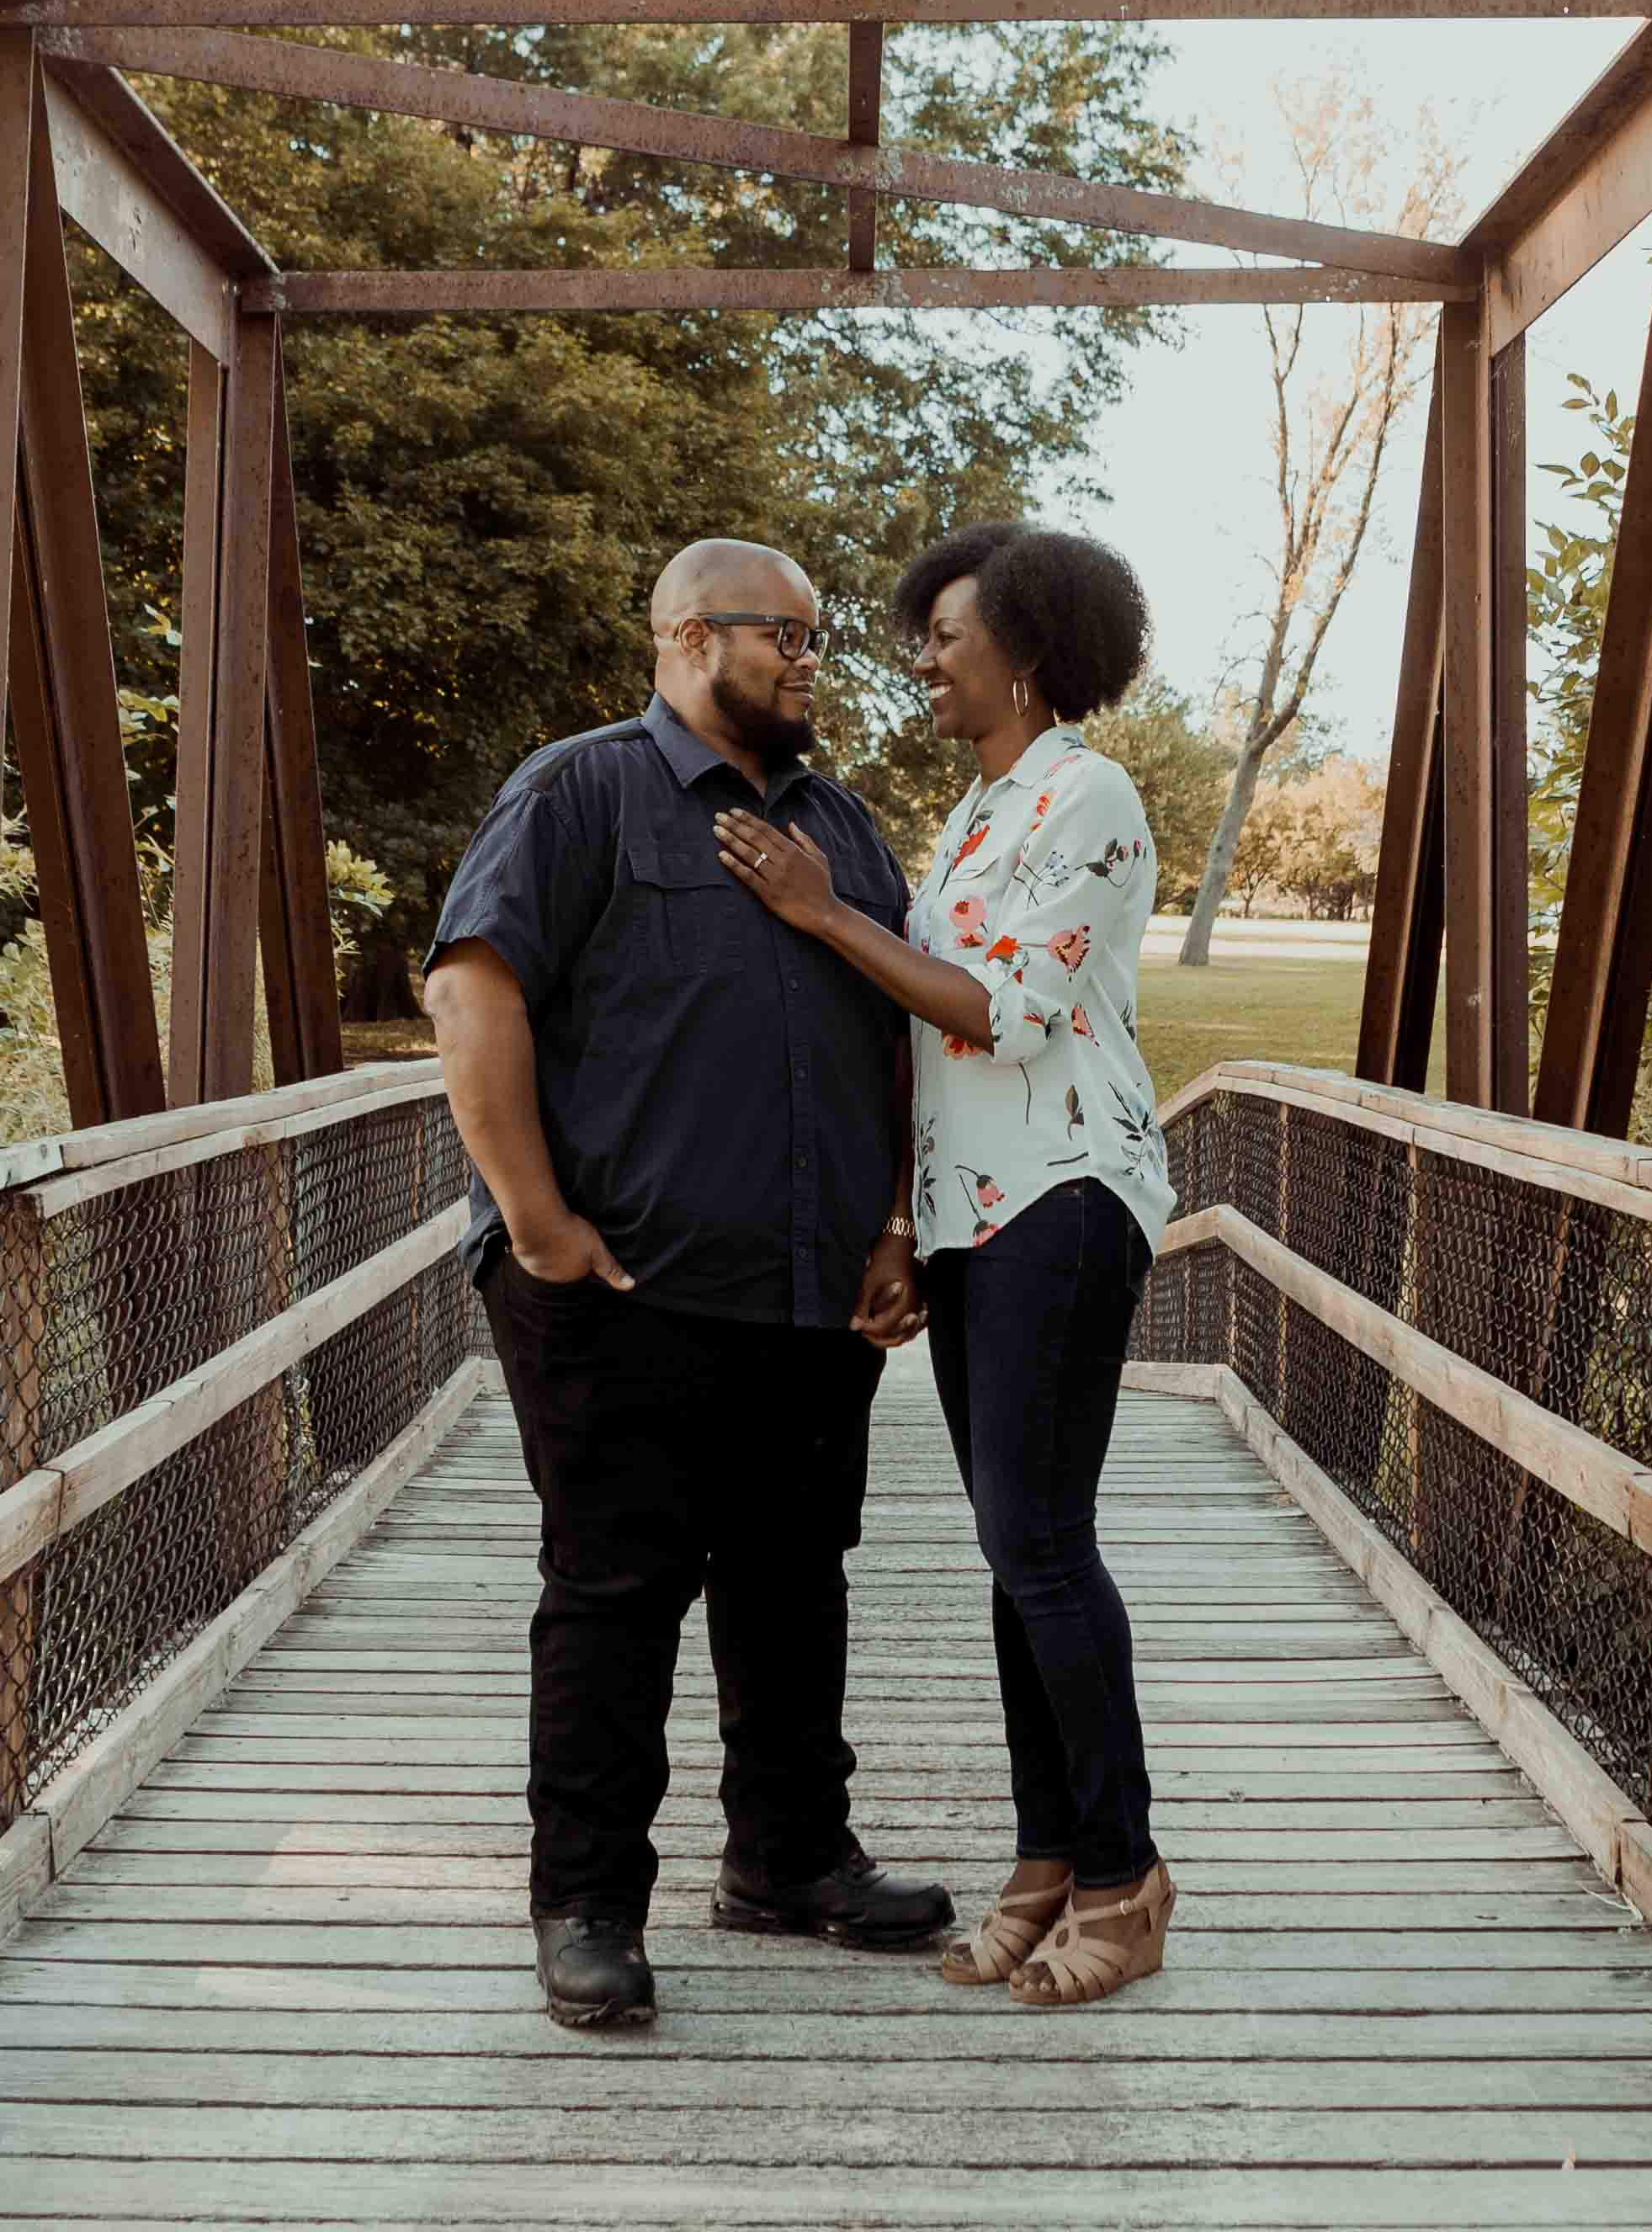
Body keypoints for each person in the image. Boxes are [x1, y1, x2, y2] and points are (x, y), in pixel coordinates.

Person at [420, 538, 955, 2031]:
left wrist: (895, 1229)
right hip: (621, 1284)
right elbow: (474, 988)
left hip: (809, 1293)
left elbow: (897, 1038)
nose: (807, 659)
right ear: (681, 637)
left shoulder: (843, 827)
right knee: (614, 1595)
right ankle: (588, 1902)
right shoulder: (580, 790)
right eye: (776, 634)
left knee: (796, 1588)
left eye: (813, 636)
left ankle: (787, 1862)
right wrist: (534, 1222)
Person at [713, 519, 1180, 2010]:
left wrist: (820, 909)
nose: (922, 657)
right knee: (1011, 1547)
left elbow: (1001, 1012)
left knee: (1042, 1542)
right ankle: (1048, 1861)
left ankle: (1124, 1872)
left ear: (1028, 652)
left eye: (947, 634)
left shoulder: (1086, 794)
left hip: (1069, 1188)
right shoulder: (980, 813)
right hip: (982, 1209)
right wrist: (909, 1226)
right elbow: (928, 1048)